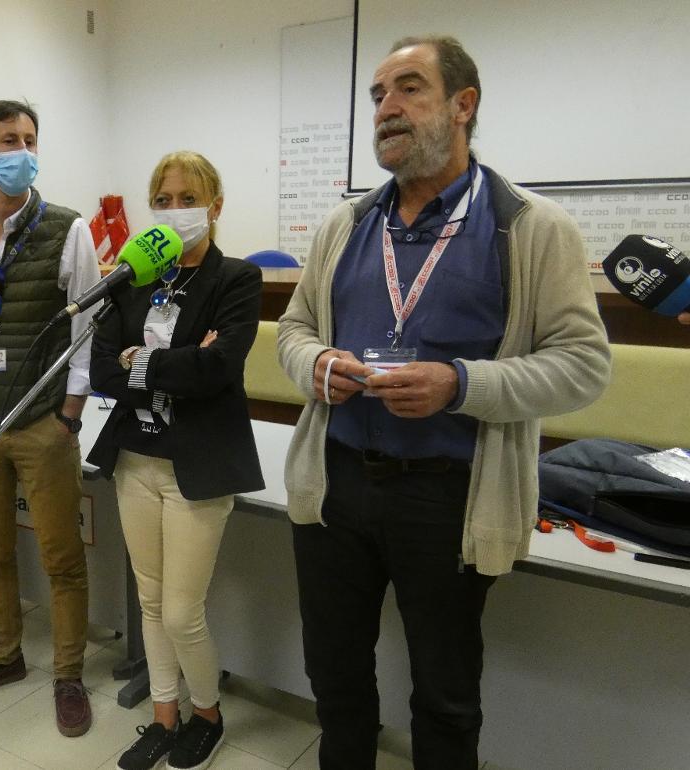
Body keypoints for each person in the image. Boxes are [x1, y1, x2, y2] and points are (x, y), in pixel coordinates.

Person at [277, 36, 610, 769]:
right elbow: (292, 331)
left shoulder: (530, 227)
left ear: (464, 106)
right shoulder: (346, 226)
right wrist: (316, 365)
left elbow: (584, 366)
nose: (386, 109)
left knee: (446, 698)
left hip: (450, 499)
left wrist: (460, 385)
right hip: (337, 485)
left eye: (409, 89)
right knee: (334, 681)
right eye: (377, 95)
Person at [88, 151, 263, 770]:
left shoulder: (235, 279)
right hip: (135, 457)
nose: (172, 210)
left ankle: (208, 713)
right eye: (161, 200)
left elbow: (219, 370)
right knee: (152, 601)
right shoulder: (135, 276)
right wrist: (175, 361)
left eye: (187, 198)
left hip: (198, 466)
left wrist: (148, 361)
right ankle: (164, 715)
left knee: (185, 611)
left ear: (214, 207)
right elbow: (104, 368)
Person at [0, 99, 102, 737]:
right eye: (11, 140)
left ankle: (67, 674)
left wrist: (69, 415)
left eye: (31, 138)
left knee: (62, 557)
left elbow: (87, 330)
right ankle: (3, 656)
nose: (24, 151)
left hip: (41, 421)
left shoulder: (69, 227)